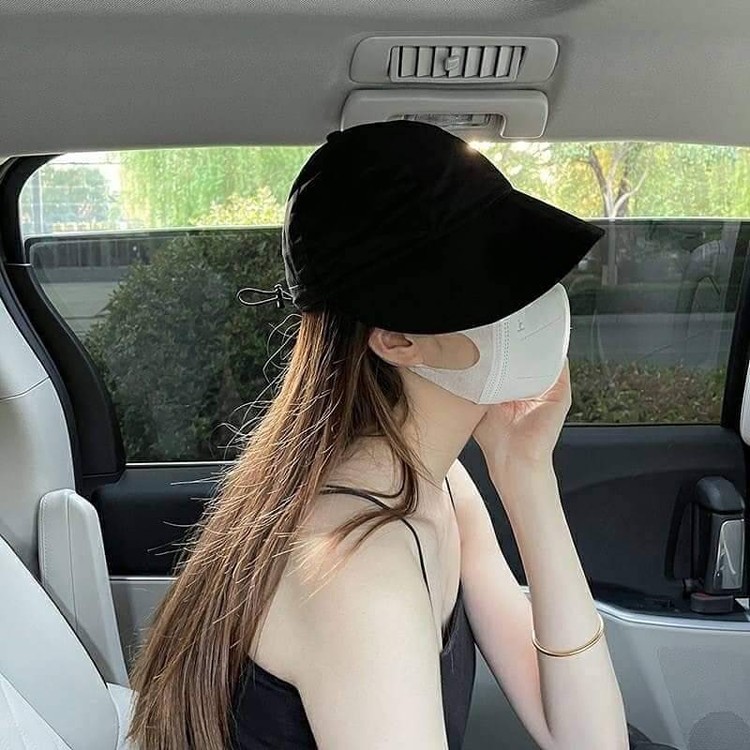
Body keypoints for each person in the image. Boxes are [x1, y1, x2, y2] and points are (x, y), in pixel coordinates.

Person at [126, 120, 655, 750]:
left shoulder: (440, 486)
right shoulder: (358, 567)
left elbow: (588, 740)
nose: (540, 300)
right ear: (397, 341)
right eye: (500, 287)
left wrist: (527, 472)